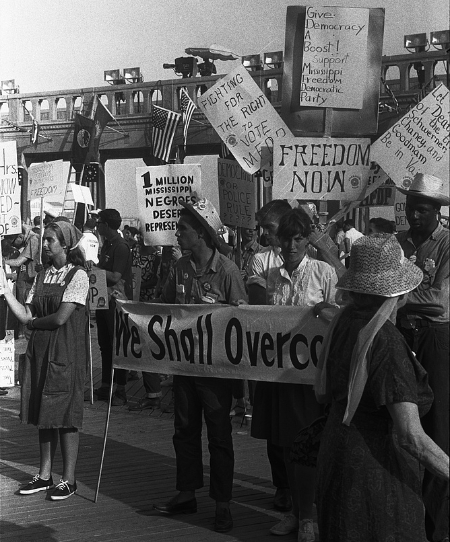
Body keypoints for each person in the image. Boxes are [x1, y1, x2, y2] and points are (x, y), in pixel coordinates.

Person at [314, 234, 449, 542]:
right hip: (374, 475)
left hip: (337, 459)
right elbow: (411, 437)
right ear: (400, 295)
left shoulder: (344, 321)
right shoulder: (386, 342)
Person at [152, 198, 247, 534]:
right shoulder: (179, 268)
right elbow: (163, 308)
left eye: (183, 230)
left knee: (219, 437)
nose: (177, 235)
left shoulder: (229, 272)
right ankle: (186, 493)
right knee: (184, 432)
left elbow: (243, 321)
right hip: (184, 367)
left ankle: (223, 504)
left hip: (217, 373)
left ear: (202, 234)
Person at [250, 208, 338, 541]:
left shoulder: (324, 272)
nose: (291, 245)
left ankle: (312, 514)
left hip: (312, 376)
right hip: (281, 373)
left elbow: (339, 318)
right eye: (286, 238)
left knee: (312, 443)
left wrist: (323, 313)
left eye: (298, 238)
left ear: (308, 240)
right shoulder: (271, 276)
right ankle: (297, 512)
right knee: (286, 443)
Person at [0, 221, 89, 500]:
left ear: (65, 244)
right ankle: (44, 474)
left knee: (65, 412)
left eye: (50, 240)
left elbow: (62, 317)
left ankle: (69, 479)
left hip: (65, 351)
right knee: (43, 410)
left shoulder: (78, 275)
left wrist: (35, 322)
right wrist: (4, 290)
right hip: (41, 351)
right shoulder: (42, 275)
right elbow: (24, 315)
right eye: (46, 239)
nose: (46, 245)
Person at [395, 173, 449, 542]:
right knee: (402, 421)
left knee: (438, 427)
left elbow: (440, 302)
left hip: (436, 339)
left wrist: (396, 298)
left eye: (423, 209)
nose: (415, 215)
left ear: (437, 211)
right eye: (411, 208)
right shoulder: (398, 242)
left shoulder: (446, 243)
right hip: (402, 335)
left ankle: (439, 525)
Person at [92, 209, 132, 406]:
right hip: (102, 299)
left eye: (99, 222)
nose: (97, 226)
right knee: (105, 345)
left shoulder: (121, 247)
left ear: (106, 225)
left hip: (115, 301)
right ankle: (106, 385)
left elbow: (116, 276)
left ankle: (120, 389)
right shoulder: (107, 244)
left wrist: (96, 269)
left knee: (118, 345)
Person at [128, 234, 163, 411]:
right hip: (133, 304)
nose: (141, 238)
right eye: (140, 235)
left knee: (148, 345)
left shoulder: (157, 258)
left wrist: (139, 285)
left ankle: (154, 391)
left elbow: (156, 280)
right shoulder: (133, 253)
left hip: (149, 305)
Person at [4, 224, 40, 338]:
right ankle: (17, 334)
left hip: (28, 280)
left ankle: (21, 334)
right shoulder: (28, 242)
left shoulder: (33, 240)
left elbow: (18, 262)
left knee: (22, 307)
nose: (13, 246)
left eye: (13, 242)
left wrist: (3, 263)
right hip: (23, 279)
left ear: (20, 236)